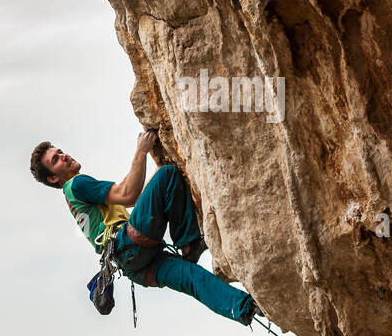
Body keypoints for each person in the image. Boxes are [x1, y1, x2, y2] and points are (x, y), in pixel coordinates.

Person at [29, 131, 260, 324]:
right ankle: (188, 244)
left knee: (191, 277)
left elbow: (135, 197)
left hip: (133, 267)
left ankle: (246, 308)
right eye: (55, 160)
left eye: (59, 152)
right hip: (128, 246)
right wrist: (142, 150)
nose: (63, 155)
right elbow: (128, 195)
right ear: (52, 178)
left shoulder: (74, 199)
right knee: (167, 175)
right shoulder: (76, 183)